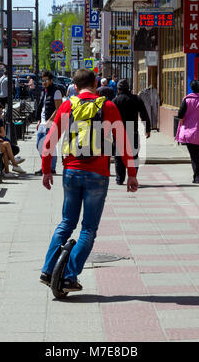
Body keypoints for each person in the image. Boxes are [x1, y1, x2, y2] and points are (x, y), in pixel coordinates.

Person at [39, 69, 138, 293]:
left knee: (66, 223)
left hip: (71, 171)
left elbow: (50, 140)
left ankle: (47, 270)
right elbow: (123, 140)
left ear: (73, 85)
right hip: (98, 173)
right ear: (95, 83)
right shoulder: (108, 106)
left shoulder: (67, 105)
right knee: (88, 229)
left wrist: (46, 170)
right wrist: (131, 173)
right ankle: (69, 276)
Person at [112, 79, 151, 185]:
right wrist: (147, 129)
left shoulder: (115, 101)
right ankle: (132, 176)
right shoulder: (136, 99)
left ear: (118, 89)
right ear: (128, 88)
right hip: (132, 130)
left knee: (119, 156)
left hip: (118, 130)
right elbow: (144, 114)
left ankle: (120, 179)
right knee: (133, 155)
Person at [34, 71, 62, 176]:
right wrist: (39, 121)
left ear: (51, 80)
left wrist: (50, 120)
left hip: (51, 123)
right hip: (42, 123)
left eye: (46, 80)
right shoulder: (43, 91)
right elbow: (42, 108)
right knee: (39, 145)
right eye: (42, 80)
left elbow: (58, 108)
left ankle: (50, 168)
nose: (44, 82)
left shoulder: (56, 91)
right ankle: (47, 166)